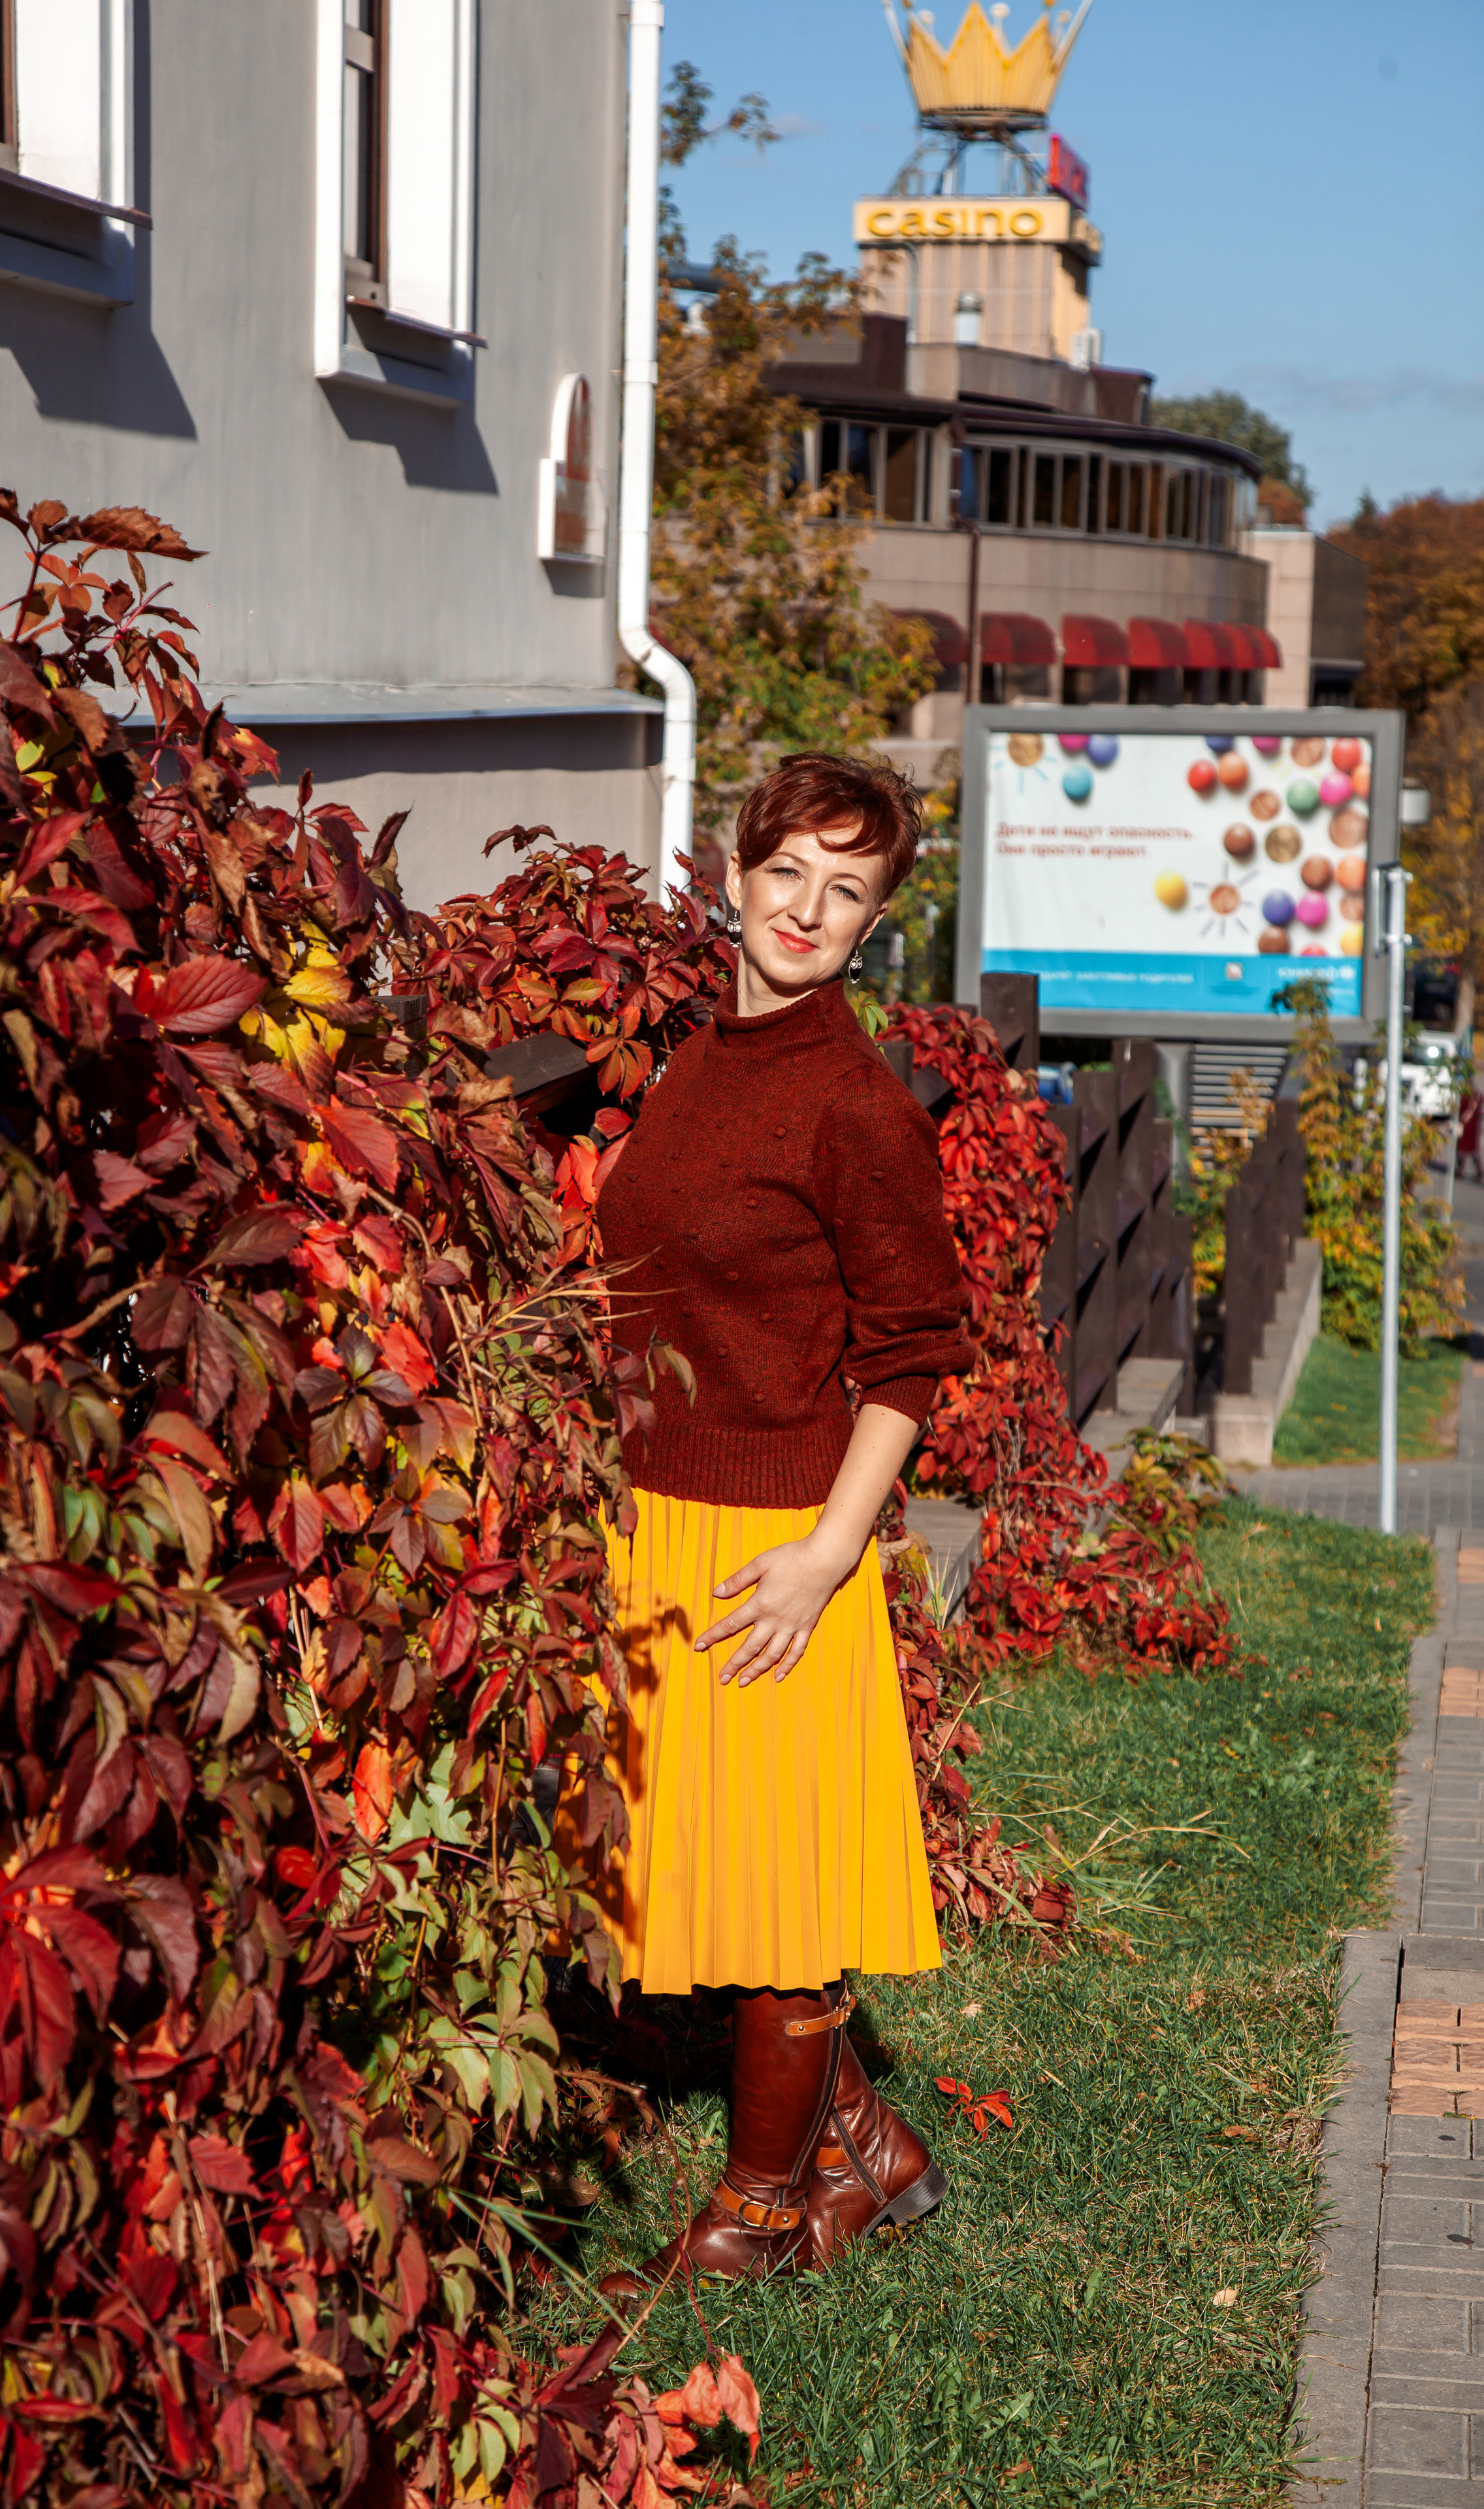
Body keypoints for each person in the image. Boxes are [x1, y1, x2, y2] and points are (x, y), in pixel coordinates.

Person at [573, 750, 979, 2298]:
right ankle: (864, 2151)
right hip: (660, 1518)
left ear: (873, 923)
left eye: (846, 888)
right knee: (711, 1863)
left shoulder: (854, 1104)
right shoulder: (690, 1060)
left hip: (773, 1538)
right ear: (734, 874)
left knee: (778, 1889)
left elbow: (913, 1351)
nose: (806, 907)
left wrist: (825, 1555)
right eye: (787, 871)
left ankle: (753, 2215)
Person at [1458, 1085, 1484, 1184]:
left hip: (1472, 1127)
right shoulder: (1461, 1094)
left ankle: (1480, 1171)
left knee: (1473, 1149)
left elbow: (1474, 1107)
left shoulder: (1475, 1095)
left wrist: (1467, 1116)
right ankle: (1461, 1169)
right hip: (1462, 1125)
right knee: (1461, 1149)